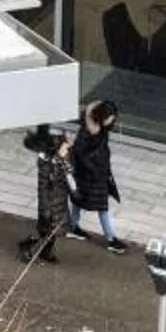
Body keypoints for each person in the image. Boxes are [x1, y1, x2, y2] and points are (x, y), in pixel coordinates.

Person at [69, 99, 125, 251]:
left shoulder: (99, 128)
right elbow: (80, 153)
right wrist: (95, 170)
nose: (112, 121)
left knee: (78, 202)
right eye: (111, 118)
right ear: (102, 117)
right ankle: (111, 239)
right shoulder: (89, 133)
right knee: (102, 207)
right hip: (91, 176)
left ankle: (72, 228)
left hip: (92, 174)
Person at [17, 124, 71, 267]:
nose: (67, 148)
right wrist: (45, 208)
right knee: (46, 230)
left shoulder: (60, 160)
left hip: (59, 200)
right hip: (50, 203)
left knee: (53, 230)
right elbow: (44, 186)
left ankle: (46, 251)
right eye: (64, 146)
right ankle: (28, 247)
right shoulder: (47, 165)